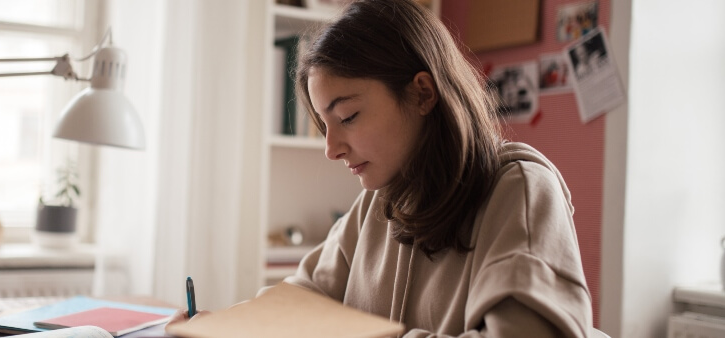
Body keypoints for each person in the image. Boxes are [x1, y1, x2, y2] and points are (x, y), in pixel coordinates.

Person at [169, 0, 592, 336]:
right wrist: (224, 327)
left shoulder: (518, 189)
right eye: (325, 126)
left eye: (348, 116)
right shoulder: (377, 203)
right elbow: (301, 301)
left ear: (422, 94)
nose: (332, 150)